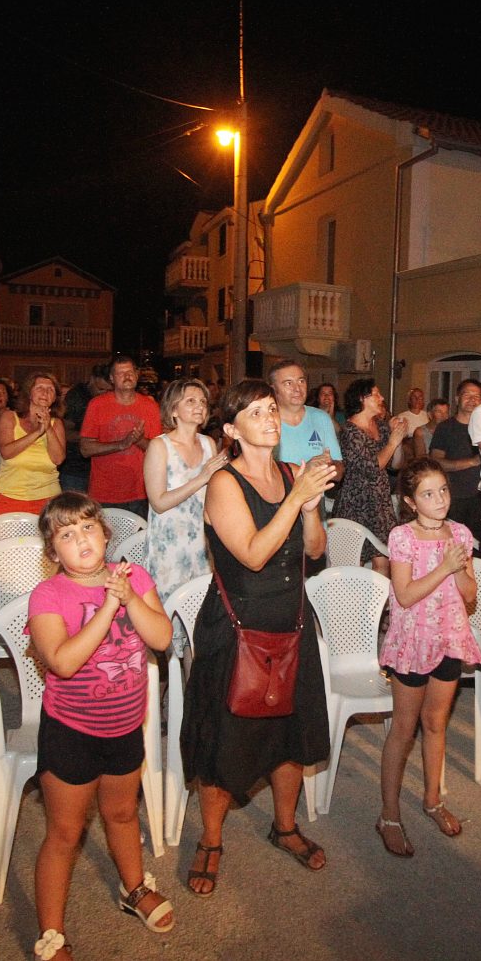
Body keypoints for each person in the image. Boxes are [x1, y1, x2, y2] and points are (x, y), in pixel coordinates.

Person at [179, 380, 336, 895]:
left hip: (291, 619)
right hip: (237, 625)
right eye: (256, 413)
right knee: (227, 739)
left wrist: (309, 507)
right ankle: (211, 840)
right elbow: (251, 554)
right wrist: (298, 498)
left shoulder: (292, 474)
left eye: (272, 410)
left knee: (291, 732)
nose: (270, 419)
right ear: (231, 429)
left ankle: (285, 826)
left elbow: (315, 549)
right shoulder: (224, 482)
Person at [26, 493, 175, 960]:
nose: (81, 539)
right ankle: (52, 930)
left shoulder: (134, 578)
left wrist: (128, 597)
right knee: (65, 833)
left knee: (123, 813)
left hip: (125, 725)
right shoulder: (48, 595)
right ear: (53, 553)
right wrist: (110, 607)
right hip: (71, 732)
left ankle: (133, 887)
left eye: (88, 527)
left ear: (106, 534)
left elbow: (162, 637)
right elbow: (63, 662)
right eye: (66, 535)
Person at [375, 458, 481, 857]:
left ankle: (432, 799)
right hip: (413, 642)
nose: (439, 500)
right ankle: (388, 815)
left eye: (443, 491)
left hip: (449, 638)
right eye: (428, 494)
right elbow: (404, 595)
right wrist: (444, 566)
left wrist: (459, 568)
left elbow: (469, 595)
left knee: (436, 723)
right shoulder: (402, 536)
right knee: (403, 729)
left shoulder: (461, 532)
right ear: (410, 501)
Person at [143, 377, 228, 599]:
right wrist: (202, 478)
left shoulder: (208, 443)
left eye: (202, 402)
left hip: (202, 541)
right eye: (190, 401)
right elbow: (159, 503)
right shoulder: (159, 446)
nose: (199, 406)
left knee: (202, 606)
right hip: (169, 543)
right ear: (173, 410)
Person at [336, 378, 409, 573]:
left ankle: (380, 595)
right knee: (353, 564)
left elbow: (395, 465)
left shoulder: (381, 426)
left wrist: (397, 438)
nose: (382, 398)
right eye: (376, 394)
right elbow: (371, 468)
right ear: (362, 398)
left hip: (380, 504)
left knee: (383, 562)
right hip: (356, 504)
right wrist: (392, 442)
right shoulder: (350, 432)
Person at [80, 355, 161, 518]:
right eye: (120, 373)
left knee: (140, 535)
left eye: (130, 372)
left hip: (140, 493)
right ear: (111, 378)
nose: (127, 376)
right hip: (103, 494)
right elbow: (85, 449)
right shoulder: (97, 405)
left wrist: (139, 440)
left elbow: (158, 451)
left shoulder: (150, 406)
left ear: (137, 375)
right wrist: (120, 444)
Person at [0, 373, 65, 517]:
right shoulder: (9, 417)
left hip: (49, 500)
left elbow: (58, 459)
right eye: (40, 388)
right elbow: (7, 452)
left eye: (50, 389)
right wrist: (38, 432)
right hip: (9, 497)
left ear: (55, 398)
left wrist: (48, 428)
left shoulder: (57, 424)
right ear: (29, 393)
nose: (45, 392)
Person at [430, 380, 481, 551]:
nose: (472, 399)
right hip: (455, 499)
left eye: (477, 396)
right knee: (454, 548)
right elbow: (436, 461)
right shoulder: (445, 428)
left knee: (480, 550)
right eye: (467, 395)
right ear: (457, 399)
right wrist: (471, 461)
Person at [271, 360, 343, 474]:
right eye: (288, 383)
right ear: (274, 389)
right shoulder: (268, 422)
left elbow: (339, 470)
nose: (297, 389)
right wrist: (306, 470)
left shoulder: (321, 418)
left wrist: (329, 467)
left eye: (301, 381)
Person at [59, 367, 110, 495]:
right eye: (100, 389)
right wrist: (94, 436)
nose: (104, 394)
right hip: (75, 469)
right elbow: (64, 432)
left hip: (103, 468)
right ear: (92, 379)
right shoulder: (76, 397)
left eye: (109, 391)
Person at [391, 387, 431, 469]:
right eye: (414, 397)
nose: (417, 399)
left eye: (420, 397)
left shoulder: (427, 416)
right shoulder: (402, 417)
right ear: (409, 400)